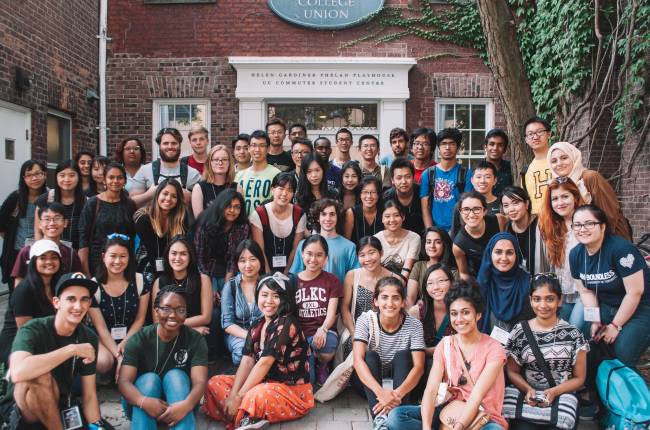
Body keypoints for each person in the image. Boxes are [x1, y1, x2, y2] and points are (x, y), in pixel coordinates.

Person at [385, 281, 508, 430]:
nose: (459, 319)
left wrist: (458, 427)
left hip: (481, 417)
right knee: (396, 417)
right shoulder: (445, 344)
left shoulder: (494, 349)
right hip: (448, 412)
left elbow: (477, 396)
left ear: (478, 315)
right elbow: (431, 390)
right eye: (454, 313)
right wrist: (426, 427)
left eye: (466, 312)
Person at [203, 274, 314, 430]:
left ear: (285, 299)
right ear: (257, 297)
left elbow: (264, 363)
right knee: (215, 383)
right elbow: (247, 360)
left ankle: (244, 414)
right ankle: (246, 416)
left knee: (254, 394)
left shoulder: (287, 322)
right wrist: (234, 395)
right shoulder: (257, 324)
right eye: (264, 295)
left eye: (276, 296)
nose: (269, 301)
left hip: (291, 391)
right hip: (263, 383)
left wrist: (240, 396)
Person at [0, 273, 105, 429]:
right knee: (40, 376)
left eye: (84, 299)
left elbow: (89, 395)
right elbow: (18, 372)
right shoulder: (34, 328)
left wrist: (97, 426)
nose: (78, 306)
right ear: (56, 302)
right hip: (23, 409)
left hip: (60, 404)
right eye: (71, 299)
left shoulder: (88, 337)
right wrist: (71, 349)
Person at [570, 204, 650, 367]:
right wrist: (594, 320)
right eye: (577, 225)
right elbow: (586, 291)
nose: (582, 229)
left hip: (641, 307)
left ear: (603, 226)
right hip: (607, 305)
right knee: (587, 342)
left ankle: (626, 387)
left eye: (589, 223)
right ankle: (594, 386)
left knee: (623, 352)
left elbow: (635, 292)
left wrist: (615, 325)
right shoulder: (576, 255)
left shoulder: (621, 250)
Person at [505, 273, 588, 430]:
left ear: (560, 300)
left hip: (561, 399)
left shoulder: (573, 334)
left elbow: (579, 378)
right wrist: (528, 389)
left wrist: (555, 391)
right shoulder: (520, 331)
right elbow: (512, 371)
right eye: (537, 299)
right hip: (528, 399)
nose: (543, 305)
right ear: (530, 300)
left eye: (549, 299)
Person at [118, 286, 208, 430]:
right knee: (149, 379)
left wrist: (186, 405)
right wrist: (144, 401)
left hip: (182, 405)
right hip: (140, 404)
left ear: (186, 314)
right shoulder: (139, 339)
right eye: (166, 308)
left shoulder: (195, 339)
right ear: (156, 310)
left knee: (176, 376)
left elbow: (200, 382)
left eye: (180, 310)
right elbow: (123, 381)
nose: (173, 315)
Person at [352, 277, 425, 425]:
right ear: (376, 301)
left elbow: (419, 367)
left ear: (403, 302)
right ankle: (380, 421)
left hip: (402, 387)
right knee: (369, 356)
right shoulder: (365, 320)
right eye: (384, 297)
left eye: (396, 298)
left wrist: (395, 395)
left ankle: (398, 414)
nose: (390, 303)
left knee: (404, 356)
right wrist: (381, 393)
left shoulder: (414, 325)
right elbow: (357, 360)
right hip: (371, 385)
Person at [87, 235, 150, 376]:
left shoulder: (140, 281)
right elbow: (100, 327)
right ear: (104, 256)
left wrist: (124, 344)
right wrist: (118, 355)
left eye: (123, 256)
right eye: (113, 256)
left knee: (139, 360)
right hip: (103, 337)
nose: (117, 261)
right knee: (104, 363)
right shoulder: (93, 286)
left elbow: (140, 319)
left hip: (131, 335)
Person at [547, 141, 631, 240]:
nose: (559, 164)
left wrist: (602, 243)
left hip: (608, 238)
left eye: (564, 158)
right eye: (554, 161)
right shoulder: (556, 185)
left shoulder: (590, 177)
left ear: (574, 157)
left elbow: (609, 213)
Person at [0, 240, 62, 366]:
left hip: (47, 340)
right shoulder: (24, 290)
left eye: (54, 257)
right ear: (33, 262)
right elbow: (26, 332)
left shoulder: (59, 286)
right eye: (43, 258)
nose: (49, 262)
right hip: (20, 345)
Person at [295, 234, 343, 386]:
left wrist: (322, 329)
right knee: (310, 381)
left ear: (326, 258)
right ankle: (310, 357)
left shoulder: (332, 280)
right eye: (309, 254)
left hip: (323, 331)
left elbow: (332, 313)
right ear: (302, 254)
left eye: (319, 255)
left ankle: (322, 364)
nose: (313, 259)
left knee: (328, 344)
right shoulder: (292, 281)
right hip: (301, 333)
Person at [341, 236, 400, 357]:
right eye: (362, 255)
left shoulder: (394, 278)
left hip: (385, 330)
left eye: (372, 252)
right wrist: (354, 333)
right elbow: (344, 308)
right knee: (353, 347)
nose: (367, 259)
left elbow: (398, 310)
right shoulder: (352, 276)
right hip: (357, 329)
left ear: (381, 253)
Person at [538, 177, 586, 327]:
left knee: (574, 329)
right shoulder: (550, 226)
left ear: (575, 197)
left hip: (585, 292)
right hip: (562, 293)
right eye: (555, 199)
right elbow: (547, 266)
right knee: (559, 332)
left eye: (565, 196)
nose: (560, 203)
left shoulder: (586, 222)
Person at [79, 163, 136, 276]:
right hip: (97, 262)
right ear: (104, 180)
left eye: (119, 177)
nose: (115, 181)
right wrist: (86, 272)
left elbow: (133, 237)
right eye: (111, 177)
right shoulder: (93, 203)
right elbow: (83, 238)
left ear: (124, 181)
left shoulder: (130, 204)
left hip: (122, 262)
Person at [134, 179, 191, 286]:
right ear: (157, 195)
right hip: (146, 264)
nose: (168, 199)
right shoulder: (143, 218)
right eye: (165, 194)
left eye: (174, 196)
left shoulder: (182, 218)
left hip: (172, 263)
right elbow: (151, 252)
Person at [152, 237, 213, 336]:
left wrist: (175, 325)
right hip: (169, 335)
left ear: (190, 256)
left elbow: (206, 317)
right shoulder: (159, 282)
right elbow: (157, 322)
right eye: (174, 253)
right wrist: (189, 329)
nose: (177, 258)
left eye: (183, 254)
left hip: (196, 336)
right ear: (167, 255)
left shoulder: (203, 279)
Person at [0, 160, 47, 287]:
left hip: (43, 253)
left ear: (45, 174)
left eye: (38, 173)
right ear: (23, 178)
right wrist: (10, 238)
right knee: (16, 293)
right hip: (17, 253)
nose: (34, 178)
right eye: (29, 175)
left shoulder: (50, 197)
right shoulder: (15, 197)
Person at [13, 203, 83, 288]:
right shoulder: (27, 251)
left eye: (57, 218)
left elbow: (77, 281)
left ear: (65, 223)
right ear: (39, 224)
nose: (52, 223)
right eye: (47, 219)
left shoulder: (71, 253)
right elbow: (18, 282)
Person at [290, 198, 359, 285]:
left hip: (339, 297)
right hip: (310, 296)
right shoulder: (304, 244)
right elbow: (296, 276)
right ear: (318, 218)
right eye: (323, 214)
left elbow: (355, 279)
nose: (328, 218)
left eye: (332, 214)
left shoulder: (349, 247)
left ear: (337, 217)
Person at [477, 232, 534, 335]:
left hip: (521, 346)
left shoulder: (528, 283)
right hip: (488, 347)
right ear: (490, 253)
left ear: (516, 254)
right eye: (498, 252)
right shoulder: (483, 283)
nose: (504, 258)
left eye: (509, 252)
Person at [130, 127, 201, 207]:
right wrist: (148, 195)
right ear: (159, 146)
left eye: (174, 143)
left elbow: (206, 204)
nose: (170, 146)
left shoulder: (193, 174)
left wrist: (190, 198)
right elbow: (131, 204)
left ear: (179, 145)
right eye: (165, 143)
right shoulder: (145, 171)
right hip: (151, 219)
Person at [250, 173, 305, 274]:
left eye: (290, 190)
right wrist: (267, 275)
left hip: (291, 270)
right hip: (263, 269)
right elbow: (259, 249)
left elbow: (295, 249)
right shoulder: (259, 213)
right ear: (272, 189)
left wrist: (287, 273)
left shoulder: (299, 214)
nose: (284, 193)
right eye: (281, 188)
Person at [194, 189, 250, 289]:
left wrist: (227, 283)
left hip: (231, 270)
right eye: (229, 206)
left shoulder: (242, 226)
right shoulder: (205, 223)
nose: (232, 210)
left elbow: (235, 257)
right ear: (221, 206)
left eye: (237, 207)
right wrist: (209, 284)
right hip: (206, 269)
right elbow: (200, 257)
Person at [420, 128, 473, 232]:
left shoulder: (466, 173)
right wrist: (430, 231)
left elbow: (468, 205)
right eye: (444, 144)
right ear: (438, 147)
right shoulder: (428, 174)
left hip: (459, 230)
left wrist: (461, 232)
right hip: (435, 230)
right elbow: (425, 208)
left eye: (452, 144)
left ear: (457, 147)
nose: (447, 147)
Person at [221, 240, 264, 366]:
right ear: (237, 263)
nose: (248, 265)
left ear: (260, 260)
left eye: (253, 259)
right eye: (242, 260)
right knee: (242, 353)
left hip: (264, 332)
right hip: (239, 333)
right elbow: (227, 324)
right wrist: (250, 336)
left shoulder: (268, 284)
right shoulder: (231, 286)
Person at [33, 160, 86, 250]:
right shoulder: (44, 199)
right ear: (56, 177)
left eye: (72, 175)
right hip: (50, 252)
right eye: (62, 175)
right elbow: (38, 231)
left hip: (77, 253)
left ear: (79, 177)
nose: (67, 179)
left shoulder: (87, 202)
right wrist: (40, 251)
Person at [453, 191, 506, 280]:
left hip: (504, 273)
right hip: (481, 280)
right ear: (460, 212)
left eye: (476, 209)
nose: (471, 214)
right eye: (466, 209)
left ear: (484, 211)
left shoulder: (499, 220)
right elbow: (464, 274)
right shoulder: (459, 244)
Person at [408, 264, 455, 358]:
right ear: (425, 287)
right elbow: (409, 345)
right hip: (420, 362)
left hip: (450, 361)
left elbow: (460, 346)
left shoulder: (461, 310)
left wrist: (422, 351)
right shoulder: (416, 311)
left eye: (441, 281)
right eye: (430, 283)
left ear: (452, 283)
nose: (436, 287)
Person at [501, 185, 548, 275]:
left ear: (527, 204)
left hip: (542, 281)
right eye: (506, 205)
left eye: (515, 203)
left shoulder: (542, 223)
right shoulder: (506, 229)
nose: (511, 209)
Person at [407, 227, 456, 307]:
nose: (432, 246)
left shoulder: (453, 271)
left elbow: (453, 299)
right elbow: (410, 298)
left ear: (445, 245)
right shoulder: (419, 266)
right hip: (422, 311)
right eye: (428, 242)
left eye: (438, 242)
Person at [235, 130, 281, 215]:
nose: (257, 149)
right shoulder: (239, 175)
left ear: (268, 149)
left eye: (262, 146)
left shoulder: (277, 174)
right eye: (254, 145)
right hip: (243, 224)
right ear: (249, 148)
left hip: (266, 223)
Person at [450, 161, 501, 237]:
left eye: (487, 177)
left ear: (495, 180)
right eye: (478, 177)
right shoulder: (461, 205)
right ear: (472, 180)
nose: (482, 181)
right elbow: (454, 235)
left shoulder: (502, 204)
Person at [374, 200, 421, 281]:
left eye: (396, 215)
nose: (392, 220)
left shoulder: (414, 238)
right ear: (382, 219)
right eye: (387, 216)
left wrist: (397, 287)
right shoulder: (376, 239)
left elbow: (407, 269)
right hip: (380, 282)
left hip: (405, 281)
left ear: (403, 217)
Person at [191, 144, 237, 218]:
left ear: (229, 163)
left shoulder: (237, 188)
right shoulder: (199, 188)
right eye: (216, 160)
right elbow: (199, 221)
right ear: (210, 163)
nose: (220, 163)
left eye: (224, 159)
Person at [295, 153, 338, 230]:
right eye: (309, 171)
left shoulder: (333, 194)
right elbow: (299, 224)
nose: (314, 175)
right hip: (307, 239)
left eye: (317, 170)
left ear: (323, 171)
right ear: (304, 174)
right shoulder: (300, 196)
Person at [383, 157, 423, 234]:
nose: (403, 181)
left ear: (413, 177)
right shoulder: (386, 197)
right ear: (392, 180)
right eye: (399, 178)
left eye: (407, 177)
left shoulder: (422, 193)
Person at [521, 117, 553, 215]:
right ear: (526, 139)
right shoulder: (526, 171)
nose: (535, 137)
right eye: (530, 134)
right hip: (537, 222)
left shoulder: (560, 162)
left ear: (549, 134)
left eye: (540, 132)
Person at [344, 176, 384, 244]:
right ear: (360, 194)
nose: (369, 196)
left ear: (378, 194)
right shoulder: (351, 213)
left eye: (373, 192)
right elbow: (346, 242)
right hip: (357, 253)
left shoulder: (384, 212)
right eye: (365, 192)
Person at [484, 128, 513, 197]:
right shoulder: (477, 170)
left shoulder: (512, 169)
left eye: (500, 145)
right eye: (491, 144)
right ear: (485, 147)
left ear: (505, 149)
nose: (495, 148)